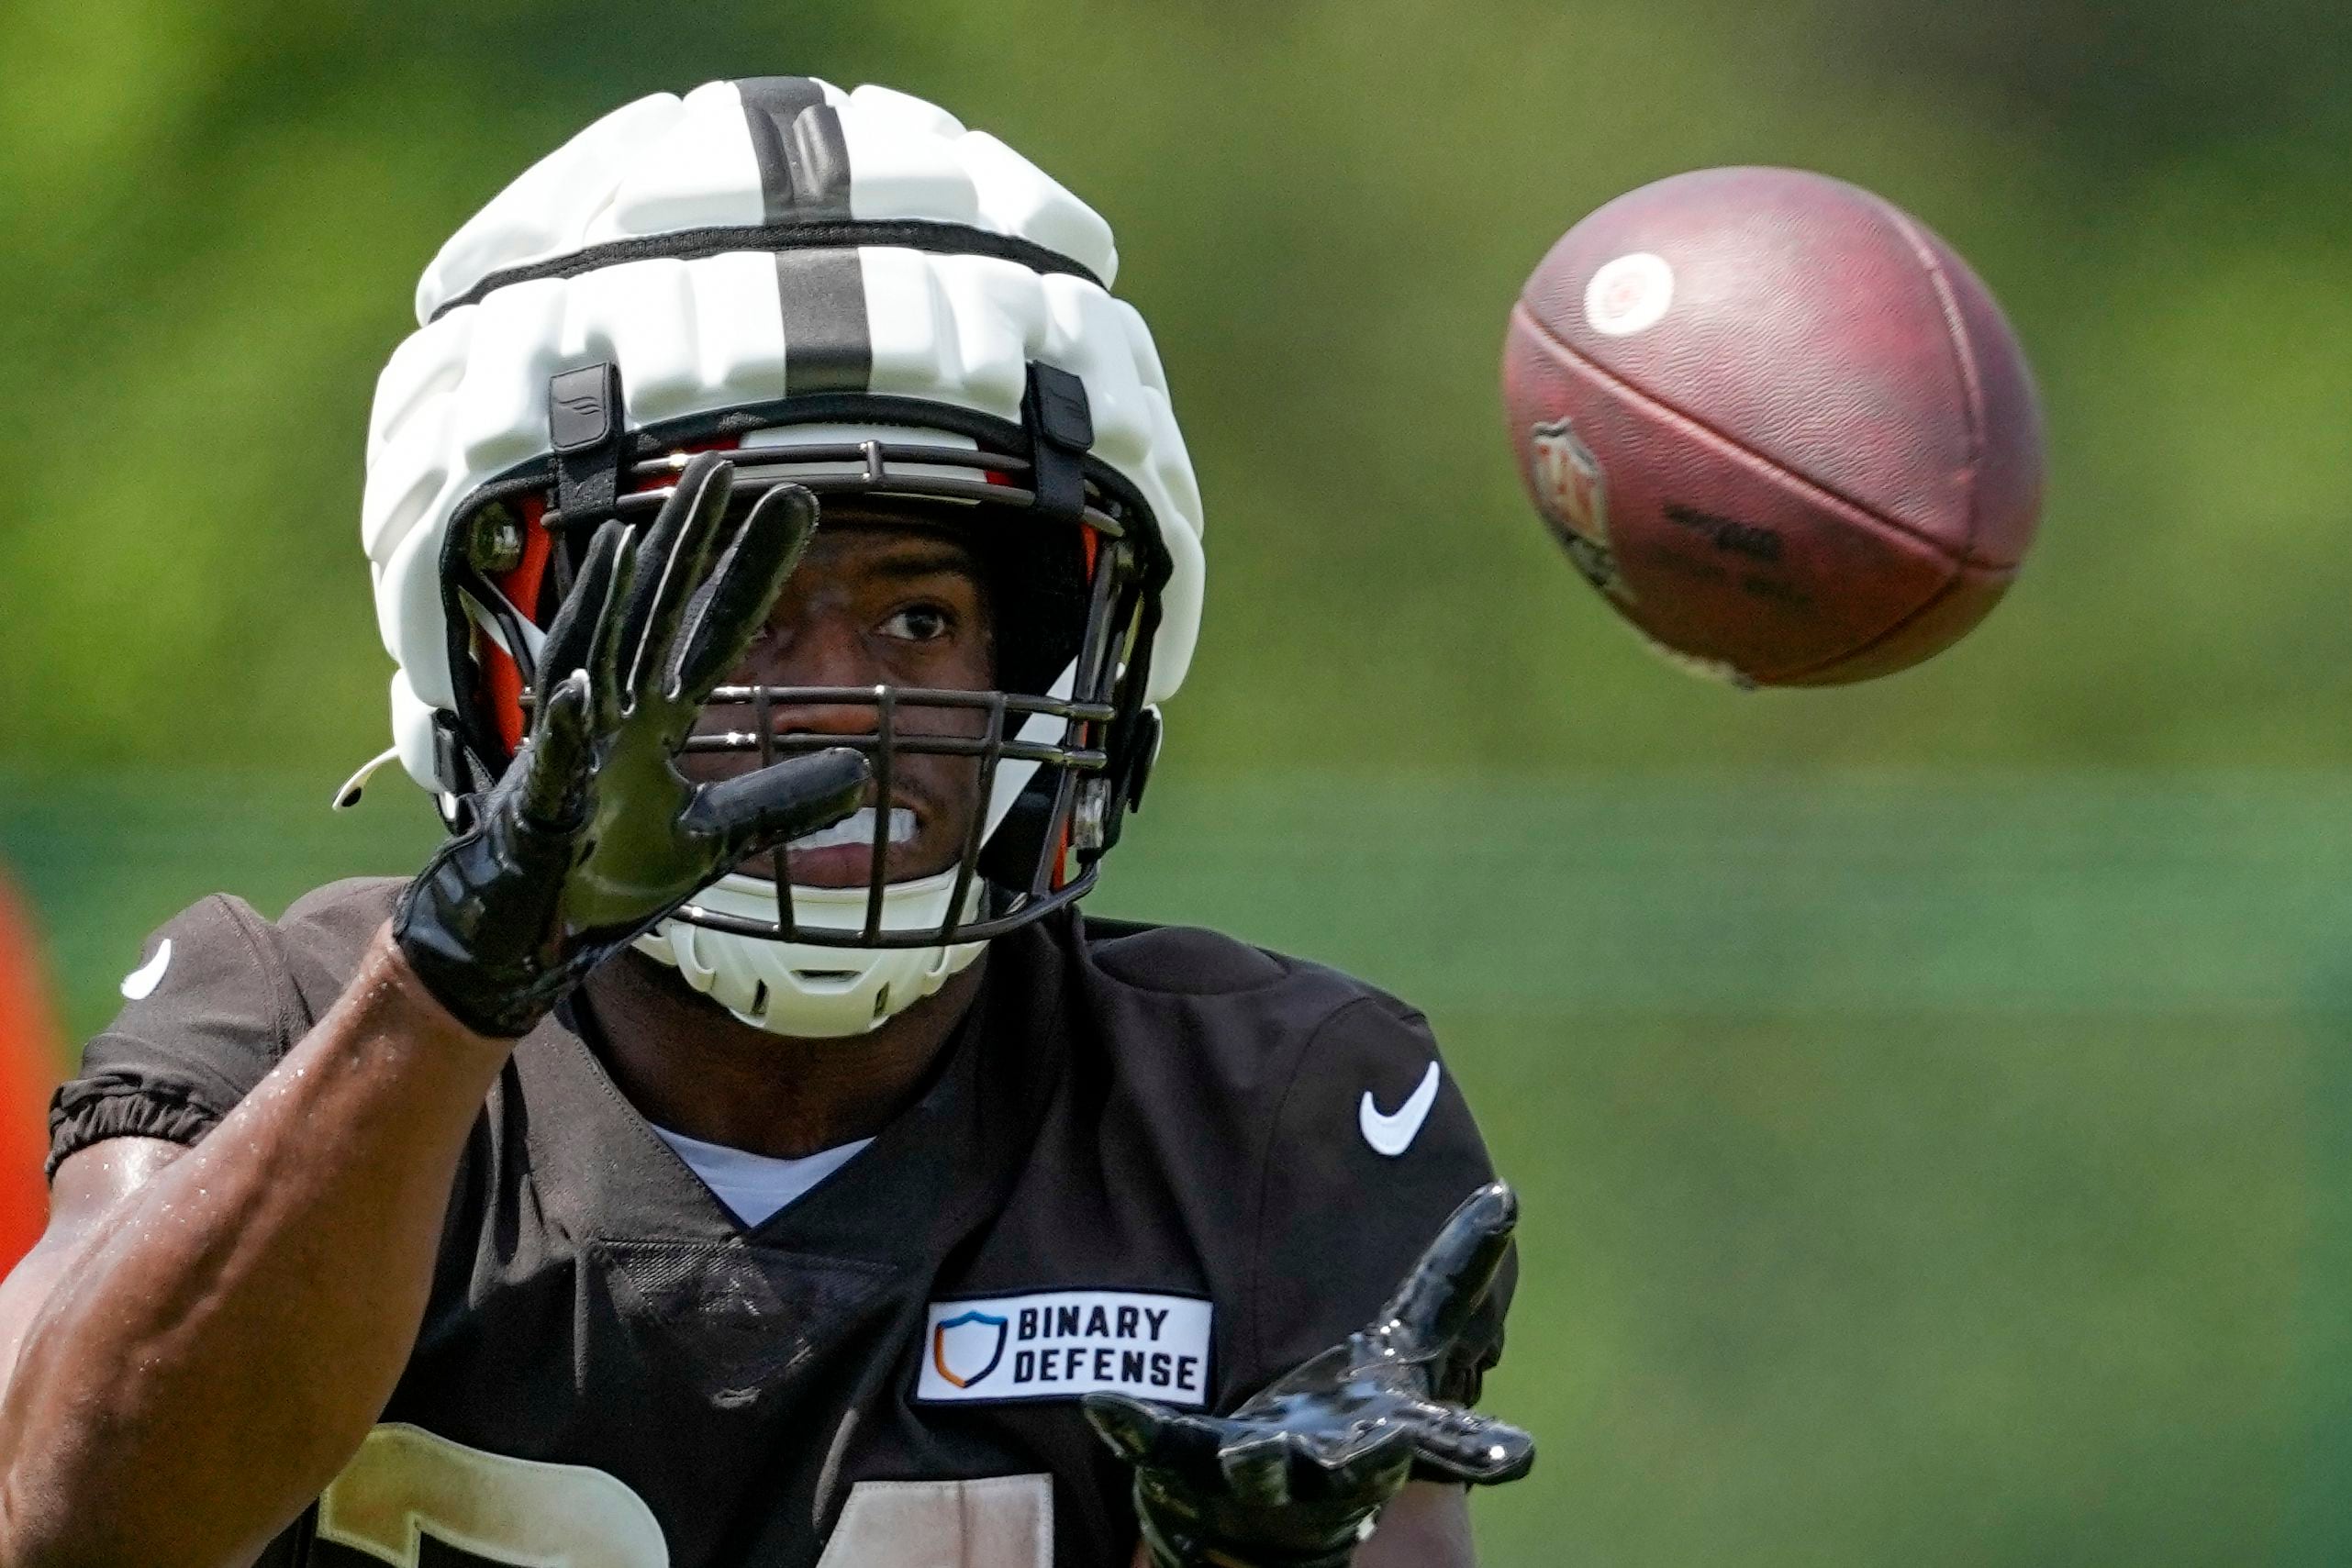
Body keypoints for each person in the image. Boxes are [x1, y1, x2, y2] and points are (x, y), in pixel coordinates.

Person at [0, 79, 1530, 1568]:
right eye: (731, 619)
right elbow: (72, 1521)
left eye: (921, 613)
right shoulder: (294, 1021)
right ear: (511, 662)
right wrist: (444, 994)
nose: (839, 704)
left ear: (1046, 656)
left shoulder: (1263, 1113)